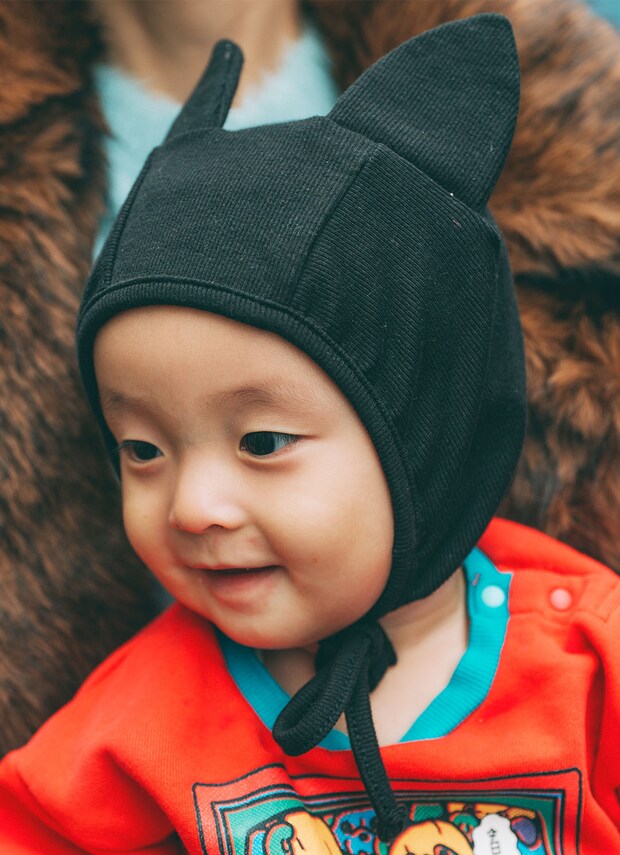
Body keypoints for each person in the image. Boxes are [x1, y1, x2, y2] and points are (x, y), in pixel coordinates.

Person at [1, 15, 618, 853]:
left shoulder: (590, 657)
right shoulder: (139, 717)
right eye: (142, 450)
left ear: (422, 438)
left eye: (262, 442)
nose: (193, 505)